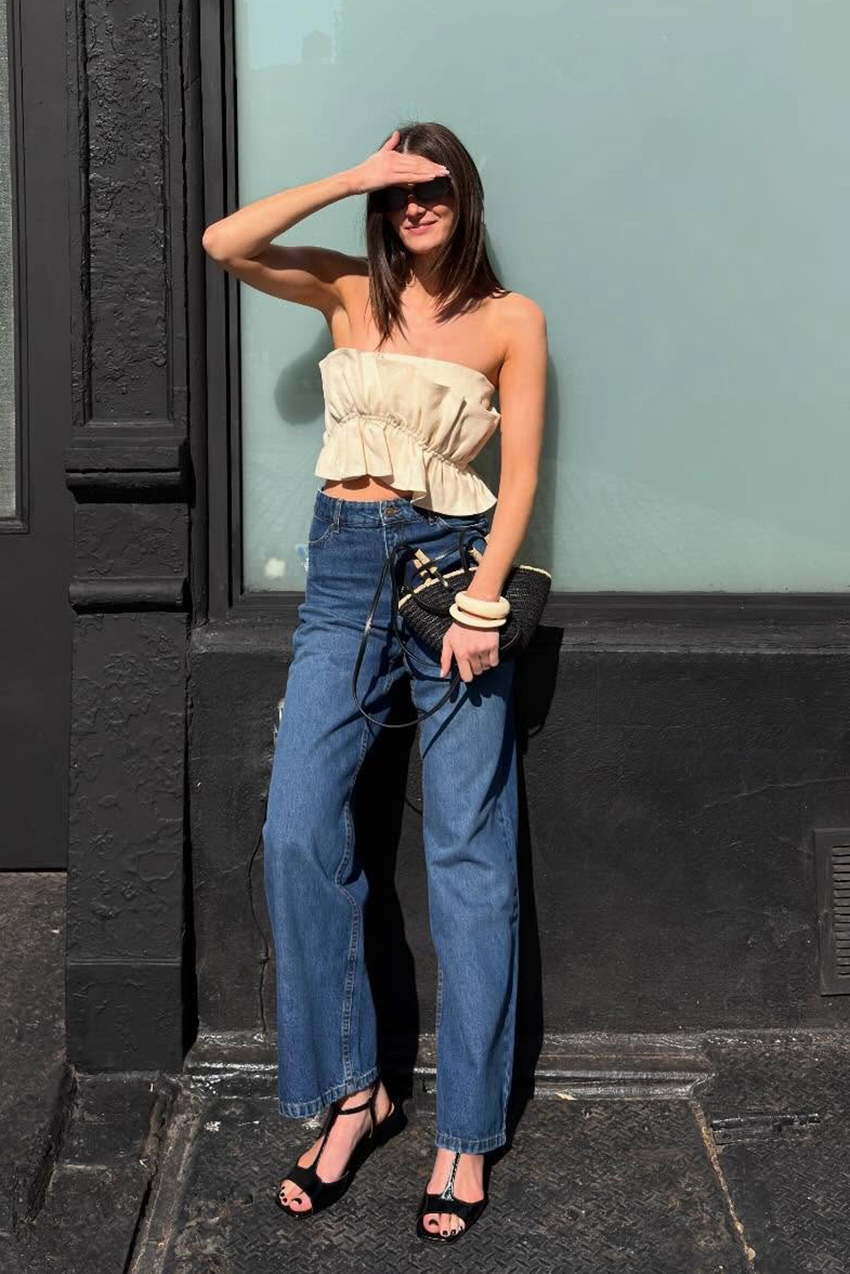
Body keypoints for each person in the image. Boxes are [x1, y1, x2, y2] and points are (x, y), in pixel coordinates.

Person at [202, 120, 547, 1243]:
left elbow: (524, 468)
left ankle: (467, 1128)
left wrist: (487, 603)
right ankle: (358, 1089)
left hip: (452, 571)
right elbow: (224, 240)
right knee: (296, 829)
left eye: (433, 184)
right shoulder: (351, 292)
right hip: (344, 570)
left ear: (467, 194)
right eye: (401, 188)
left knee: (467, 846)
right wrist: (352, 173)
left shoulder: (510, 320)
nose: (416, 204)